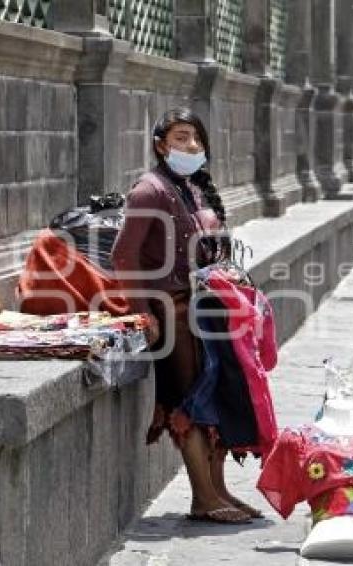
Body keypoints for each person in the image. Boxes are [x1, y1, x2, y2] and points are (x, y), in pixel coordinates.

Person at [112, 107, 259, 524]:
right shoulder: (149, 190)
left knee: (215, 395)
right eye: (180, 138)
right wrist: (143, 313)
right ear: (161, 145)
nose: (191, 146)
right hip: (170, 308)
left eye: (195, 138)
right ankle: (203, 498)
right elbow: (124, 255)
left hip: (204, 305)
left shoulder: (192, 187)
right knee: (187, 399)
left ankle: (218, 490)